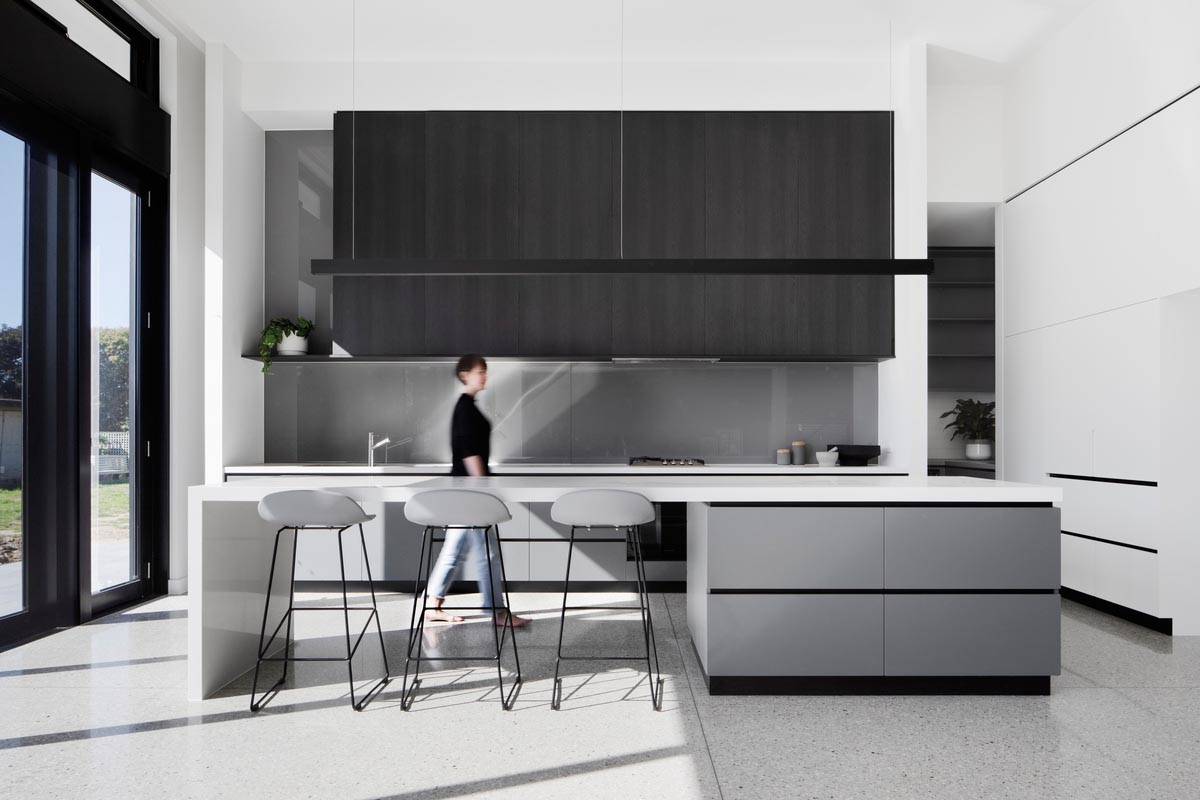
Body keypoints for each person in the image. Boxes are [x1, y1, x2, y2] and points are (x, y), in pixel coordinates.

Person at [423, 354, 529, 627]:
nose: (484, 376)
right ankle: (498, 612)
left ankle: (432, 604)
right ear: (464, 375)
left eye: (485, 371)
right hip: (471, 491)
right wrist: (484, 490)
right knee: (486, 552)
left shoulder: (467, 406)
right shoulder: (466, 408)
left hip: (464, 490)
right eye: (480, 371)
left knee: (455, 548)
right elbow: (470, 453)